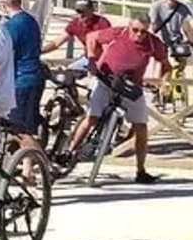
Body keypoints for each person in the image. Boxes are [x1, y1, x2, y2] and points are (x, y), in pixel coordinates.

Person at [60, 12, 169, 183]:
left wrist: (164, 82)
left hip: (131, 87)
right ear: (129, 26)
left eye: (143, 31)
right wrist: (91, 59)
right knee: (92, 117)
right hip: (106, 80)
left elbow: (166, 65)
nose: (139, 34)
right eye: (135, 30)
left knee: (141, 126)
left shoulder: (153, 44)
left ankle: (141, 170)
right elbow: (91, 37)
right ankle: (69, 151)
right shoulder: (117, 33)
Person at [1, 0, 44, 171]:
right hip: (35, 75)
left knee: (19, 129)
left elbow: (6, 52)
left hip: (21, 79)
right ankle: (27, 170)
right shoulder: (31, 21)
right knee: (27, 127)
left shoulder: (12, 26)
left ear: (4, 4)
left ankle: (44, 165)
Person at [41, 0, 110, 67]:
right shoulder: (75, 24)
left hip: (103, 59)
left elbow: (107, 48)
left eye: (84, 11)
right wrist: (39, 51)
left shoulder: (102, 23)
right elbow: (56, 43)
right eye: (78, 12)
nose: (81, 15)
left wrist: (98, 65)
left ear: (92, 10)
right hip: (88, 58)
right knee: (69, 68)